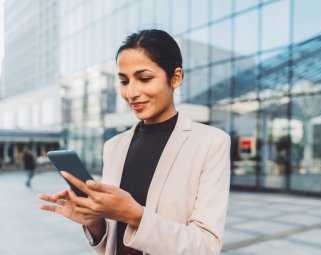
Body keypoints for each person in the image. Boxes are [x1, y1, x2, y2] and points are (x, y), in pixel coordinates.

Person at [38, 29, 231, 255]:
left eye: (144, 78)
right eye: (124, 81)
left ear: (176, 78)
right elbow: (113, 241)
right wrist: (94, 222)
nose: (131, 92)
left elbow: (206, 247)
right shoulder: (114, 146)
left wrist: (135, 215)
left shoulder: (211, 143)